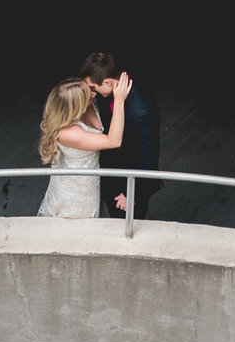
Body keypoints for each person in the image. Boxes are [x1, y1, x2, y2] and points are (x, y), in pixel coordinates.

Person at [35, 72, 131, 218]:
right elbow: (114, 141)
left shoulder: (88, 103)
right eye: (88, 97)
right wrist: (119, 101)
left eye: (91, 90)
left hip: (95, 176)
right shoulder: (67, 133)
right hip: (78, 190)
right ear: (75, 107)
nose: (94, 95)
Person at [80, 51, 158, 217]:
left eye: (93, 88)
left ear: (108, 82)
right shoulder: (107, 91)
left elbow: (148, 157)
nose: (91, 93)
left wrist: (132, 194)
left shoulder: (142, 109)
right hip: (108, 174)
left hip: (127, 186)